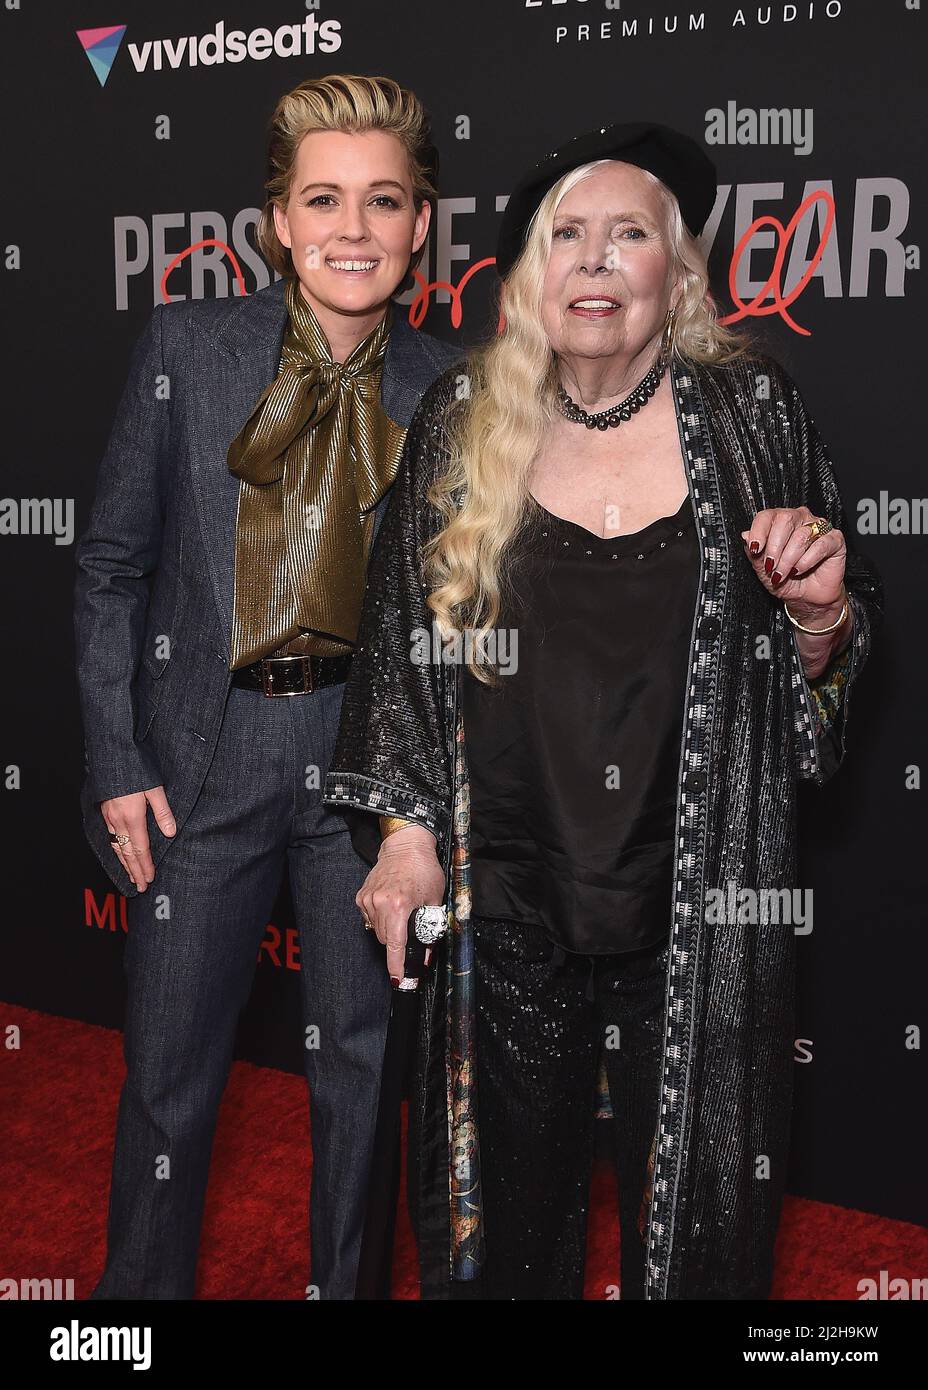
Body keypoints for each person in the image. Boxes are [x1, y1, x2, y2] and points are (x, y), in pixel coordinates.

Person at [323, 121, 884, 1299]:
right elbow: (401, 651)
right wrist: (408, 839)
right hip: (508, 895)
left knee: (699, 1230)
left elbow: (820, 689)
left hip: (694, 902)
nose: (592, 260)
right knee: (504, 1228)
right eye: (565, 237)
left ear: (673, 274)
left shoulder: (751, 413)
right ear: (531, 276)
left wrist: (820, 612)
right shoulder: (462, 418)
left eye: (627, 234)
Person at [74, 73, 460, 1299]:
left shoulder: (456, 389)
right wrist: (117, 756)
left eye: (384, 202)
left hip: (370, 762)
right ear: (279, 223)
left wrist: (428, 816)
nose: (355, 229)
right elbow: (109, 568)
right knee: (170, 1078)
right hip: (205, 754)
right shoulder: (191, 345)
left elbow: (469, 625)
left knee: (361, 1078)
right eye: (325, 201)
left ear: (421, 227)